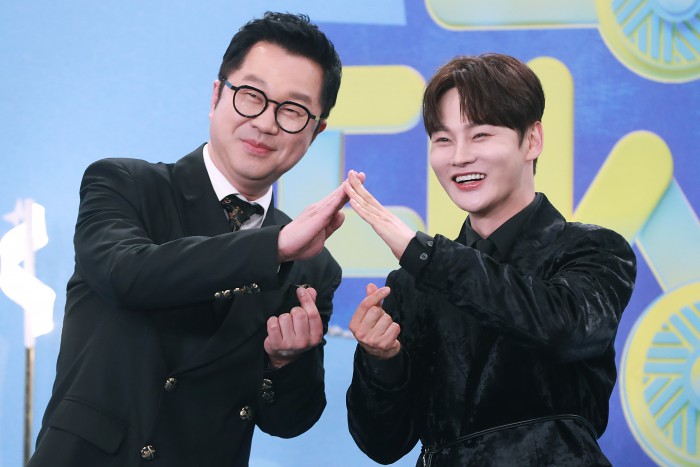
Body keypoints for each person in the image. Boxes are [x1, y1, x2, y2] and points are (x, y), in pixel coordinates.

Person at [30, 12, 351, 467]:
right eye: (251, 95)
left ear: (316, 132)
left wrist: (285, 362)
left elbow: (289, 421)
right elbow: (128, 274)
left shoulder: (315, 266)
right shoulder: (124, 184)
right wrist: (273, 247)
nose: (265, 122)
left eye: (293, 111)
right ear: (217, 95)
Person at [344, 53, 637, 466]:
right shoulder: (412, 283)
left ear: (531, 140)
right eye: (443, 140)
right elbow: (383, 444)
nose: (460, 157)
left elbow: (565, 328)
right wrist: (382, 361)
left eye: (480, 135)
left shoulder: (593, 250)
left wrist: (423, 254)